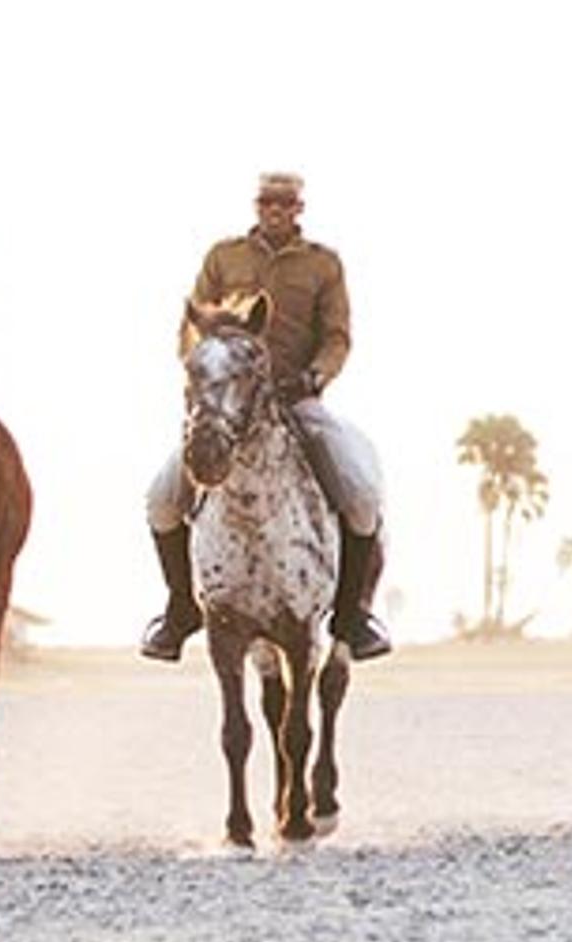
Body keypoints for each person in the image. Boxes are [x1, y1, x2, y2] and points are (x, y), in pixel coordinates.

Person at [138, 171, 394, 661]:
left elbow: (337, 336)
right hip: (230, 407)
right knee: (160, 499)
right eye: (266, 202)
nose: (274, 210)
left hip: (297, 399)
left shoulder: (323, 264)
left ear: (299, 209)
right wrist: (210, 380)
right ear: (256, 206)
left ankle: (352, 617)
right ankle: (179, 610)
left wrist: (315, 377)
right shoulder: (224, 256)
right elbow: (190, 330)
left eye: (285, 204)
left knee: (361, 493)